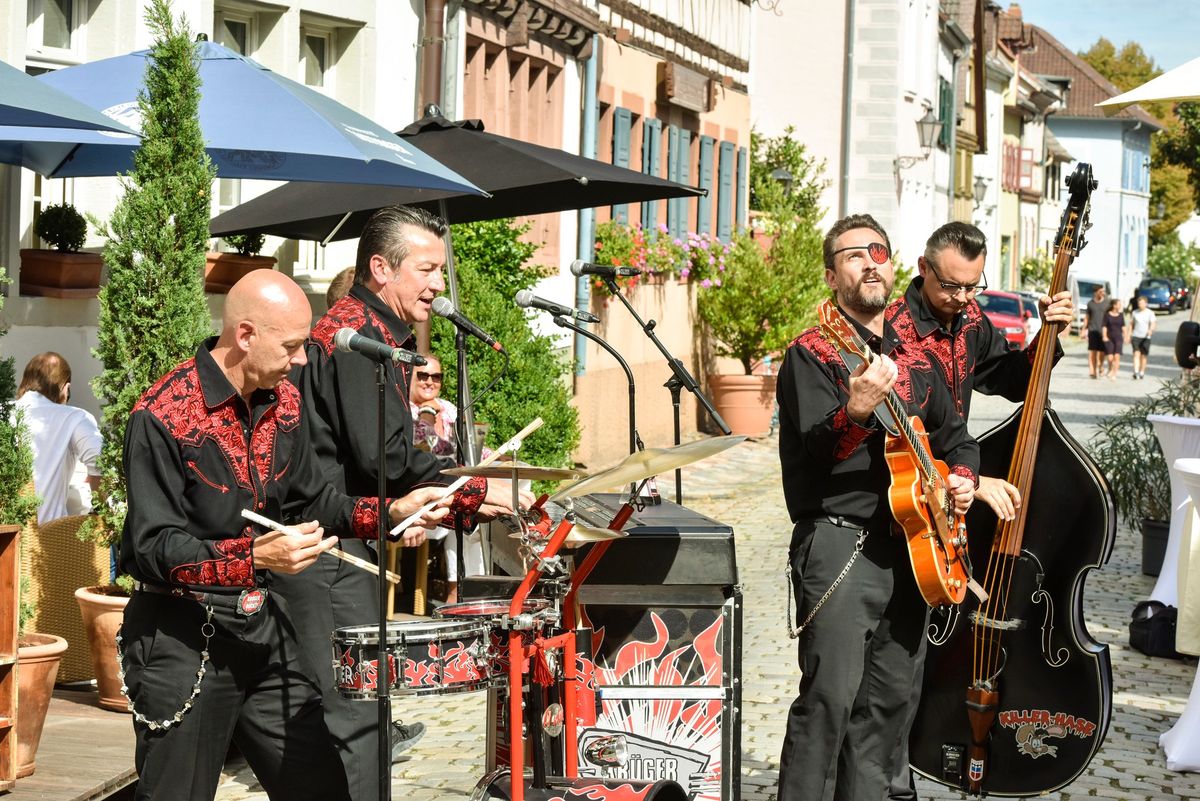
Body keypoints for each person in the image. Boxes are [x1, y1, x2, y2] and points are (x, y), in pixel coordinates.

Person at [117, 271, 450, 801]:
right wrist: (253, 556)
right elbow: (154, 547)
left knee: (320, 786)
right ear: (245, 335)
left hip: (263, 629)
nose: (301, 360)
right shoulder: (161, 414)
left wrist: (392, 511)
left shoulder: (285, 402)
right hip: (182, 634)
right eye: (292, 346)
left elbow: (315, 501)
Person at [277, 204, 528, 801]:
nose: (440, 285)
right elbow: (383, 458)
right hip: (329, 549)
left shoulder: (375, 336)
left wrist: (460, 487)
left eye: (442, 271)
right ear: (381, 268)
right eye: (427, 269)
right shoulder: (359, 342)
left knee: (358, 708)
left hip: (342, 540)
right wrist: (471, 488)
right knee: (357, 714)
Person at [775, 213, 979, 801]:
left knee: (889, 710)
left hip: (915, 552)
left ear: (894, 267)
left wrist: (961, 479)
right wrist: (856, 411)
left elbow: (957, 437)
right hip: (840, 543)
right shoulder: (813, 355)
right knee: (828, 702)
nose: (870, 262)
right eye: (854, 255)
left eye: (880, 252)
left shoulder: (915, 359)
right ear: (832, 276)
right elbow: (816, 449)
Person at [882, 221, 1074, 800]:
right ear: (922, 268)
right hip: (903, 504)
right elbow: (900, 435)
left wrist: (1050, 332)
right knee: (893, 665)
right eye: (950, 286)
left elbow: (1016, 381)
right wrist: (974, 476)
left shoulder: (970, 321)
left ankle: (897, 776)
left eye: (973, 285)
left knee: (914, 656)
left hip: (950, 508)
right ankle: (886, 782)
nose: (963, 298)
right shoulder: (892, 331)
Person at [409, 353, 486, 604]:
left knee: (471, 512)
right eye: (423, 375)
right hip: (417, 498)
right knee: (462, 510)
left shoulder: (450, 409)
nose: (430, 381)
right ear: (410, 376)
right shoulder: (403, 410)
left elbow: (469, 446)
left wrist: (496, 456)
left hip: (448, 491)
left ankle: (470, 590)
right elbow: (420, 450)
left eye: (436, 376)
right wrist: (428, 412)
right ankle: (457, 593)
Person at [14, 352, 101, 524]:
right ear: (65, 388)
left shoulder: (3, 412)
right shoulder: (75, 417)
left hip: (5, 536)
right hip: (49, 538)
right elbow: (100, 465)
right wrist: (100, 510)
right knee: (107, 537)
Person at [1130, 294, 1156, 379]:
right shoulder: (1134, 313)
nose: (1140, 305)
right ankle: (1136, 371)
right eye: (1139, 303)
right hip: (1136, 336)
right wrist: (1129, 333)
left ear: (1146, 303)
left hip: (1146, 337)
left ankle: (1142, 371)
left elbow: (1153, 323)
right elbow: (1131, 324)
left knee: (1143, 355)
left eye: (1141, 303)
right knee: (1136, 353)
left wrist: (1150, 330)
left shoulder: (1150, 313)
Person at [1086, 285, 1108, 379]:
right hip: (1092, 330)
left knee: (1102, 352)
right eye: (1100, 291)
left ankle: (1101, 365)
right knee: (1093, 352)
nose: (1102, 293)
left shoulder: (1107, 303)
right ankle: (1093, 371)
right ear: (1095, 292)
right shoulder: (1090, 303)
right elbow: (1087, 317)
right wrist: (1084, 329)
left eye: (1103, 291)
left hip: (1103, 331)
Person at [1102, 298, 1126, 379]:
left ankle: (1114, 374)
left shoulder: (1121, 315)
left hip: (1119, 338)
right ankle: (1110, 368)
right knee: (1110, 357)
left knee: (1117, 357)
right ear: (1114, 305)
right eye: (1119, 304)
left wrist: (1126, 336)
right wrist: (1104, 336)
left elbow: (1123, 326)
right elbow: (1104, 326)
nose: (1120, 306)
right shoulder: (1107, 315)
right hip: (1109, 338)